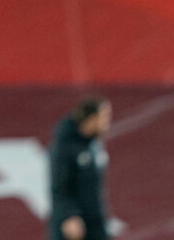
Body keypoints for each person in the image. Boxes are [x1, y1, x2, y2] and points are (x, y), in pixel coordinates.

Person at [48, 97, 114, 240]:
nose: (107, 123)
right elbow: (59, 185)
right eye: (104, 117)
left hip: (95, 223)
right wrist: (69, 215)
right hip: (74, 225)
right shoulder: (64, 146)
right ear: (91, 119)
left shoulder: (93, 145)